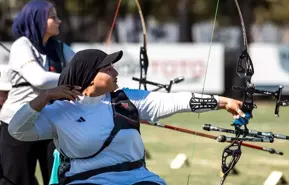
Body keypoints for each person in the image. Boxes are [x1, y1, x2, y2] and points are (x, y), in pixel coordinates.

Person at [7, 48, 246, 185]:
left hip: (138, 179)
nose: (116, 72)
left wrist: (222, 102)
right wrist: (45, 97)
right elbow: (17, 130)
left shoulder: (126, 98)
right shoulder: (59, 110)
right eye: (108, 68)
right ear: (90, 75)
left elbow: (174, 101)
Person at [0, 0, 75, 185]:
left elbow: (82, 67)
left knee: (58, 180)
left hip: (51, 126)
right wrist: (74, 80)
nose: (59, 21)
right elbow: (39, 79)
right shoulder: (21, 45)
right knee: (17, 180)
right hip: (17, 124)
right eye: (52, 17)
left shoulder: (60, 48)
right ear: (38, 20)